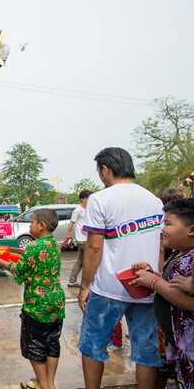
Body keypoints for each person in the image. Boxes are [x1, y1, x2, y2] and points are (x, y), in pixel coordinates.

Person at [77, 147, 163, 389]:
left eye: (99, 172)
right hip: (146, 286)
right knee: (146, 349)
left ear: (106, 169)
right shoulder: (153, 200)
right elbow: (160, 247)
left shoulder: (100, 199)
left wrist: (85, 287)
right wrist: (158, 279)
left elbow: (94, 248)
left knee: (93, 344)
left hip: (108, 287)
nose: (100, 177)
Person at [0, 209, 65, 389]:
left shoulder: (34, 246)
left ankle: (44, 385)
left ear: (41, 225)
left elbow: (19, 271)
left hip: (37, 305)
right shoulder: (54, 245)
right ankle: (49, 383)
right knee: (52, 342)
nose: (29, 226)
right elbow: (38, 268)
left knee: (34, 346)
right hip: (56, 303)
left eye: (31, 222)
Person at [131, 198, 194, 387]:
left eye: (167, 223)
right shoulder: (178, 252)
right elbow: (174, 285)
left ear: (191, 230)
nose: (162, 228)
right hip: (177, 340)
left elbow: (190, 303)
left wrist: (155, 282)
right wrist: (153, 275)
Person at [67, 190, 92, 288]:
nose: (89, 200)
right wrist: (69, 237)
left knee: (80, 261)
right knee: (90, 260)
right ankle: (88, 282)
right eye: (87, 198)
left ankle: (72, 281)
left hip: (88, 238)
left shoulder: (90, 209)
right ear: (82, 199)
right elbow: (71, 223)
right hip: (82, 239)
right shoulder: (78, 210)